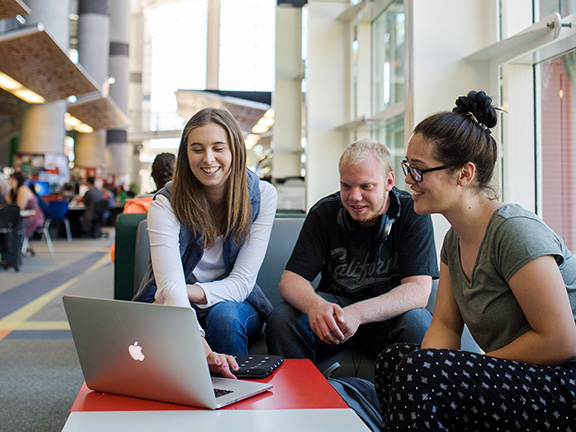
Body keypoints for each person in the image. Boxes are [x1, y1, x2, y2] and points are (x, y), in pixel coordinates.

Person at [375, 90, 576, 430]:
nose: (409, 180)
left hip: (562, 382)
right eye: (408, 167)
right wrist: (434, 364)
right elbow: (446, 326)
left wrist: (468, 366)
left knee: (419, 370)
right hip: (521, 377)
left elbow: (560, 340)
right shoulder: (454, 240)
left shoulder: (514, 232)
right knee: (395, 362)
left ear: (465, 174)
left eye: (419, 170)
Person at [133, 107, 278, 378]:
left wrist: (182, 291)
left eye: (218, 148)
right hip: (173, 305)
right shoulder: (166, 202)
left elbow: (242, 284)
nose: (208, 159)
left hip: (234, 304)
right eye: (197, 149)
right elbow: (169, 288)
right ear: (185, 154)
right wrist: (201, 347)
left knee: (224, 316)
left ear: (235, 149)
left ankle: (237, 398)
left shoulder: (262, 196)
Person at [266, 138, 439, 364]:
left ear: (388, 182)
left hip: (386, 317)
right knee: (283, 318)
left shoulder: (413, 211)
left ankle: (403, 398)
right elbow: (290, 281)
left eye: (366, 186)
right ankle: (302, 396)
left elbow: (418, 290)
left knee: (418, 322)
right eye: (346, 186)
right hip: (333, 317)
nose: (354, 197)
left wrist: (358, 313)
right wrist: (315, 306)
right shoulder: (324, 212)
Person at [6, 172, 45, 240]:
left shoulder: (23, 189)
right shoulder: (12, 191)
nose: (10, 181)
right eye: (10, 179)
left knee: (14, 225)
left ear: (18, 180)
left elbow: (19, 207)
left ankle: (15, 246)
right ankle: (9, 245)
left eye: (13, 179)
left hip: (33, 217)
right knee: (8, 222)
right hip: (22, 216)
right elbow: (9, 206)